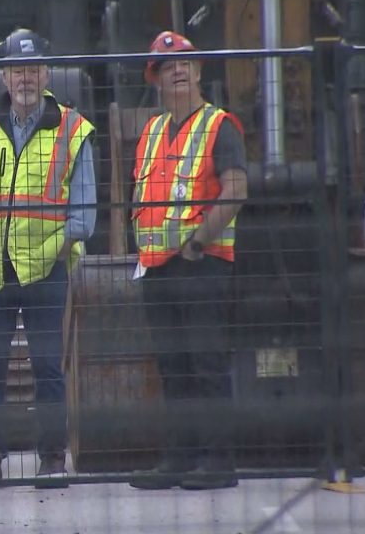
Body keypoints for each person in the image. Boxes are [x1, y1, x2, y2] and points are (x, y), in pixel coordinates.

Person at [0, 28, 97, 487]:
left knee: (48, 368)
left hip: (45, 271)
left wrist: (50, 250)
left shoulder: (72, 129)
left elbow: (85, 213)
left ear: (46, 74)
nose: (25, 79)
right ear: (5, 76)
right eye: (17, 70)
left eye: (33, 70)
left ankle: (53, 459)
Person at [128, 31, 248, 491]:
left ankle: (218, 462)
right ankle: (178, 459)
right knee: (173, 367)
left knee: (207, 363)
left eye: (186, 63)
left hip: (201, 264)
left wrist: (198, 244)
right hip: (157, 268)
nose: (178, 69)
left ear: (199, 72)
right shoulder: (152, 132)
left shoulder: (220, 126)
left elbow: (235, 189)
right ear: (156, 78)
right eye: (167, 65)